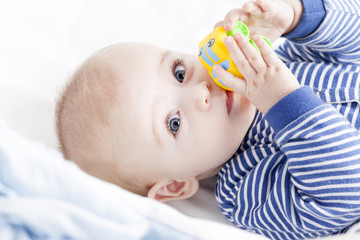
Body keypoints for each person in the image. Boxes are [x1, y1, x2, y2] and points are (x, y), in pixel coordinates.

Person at [56, 0, 360, 239]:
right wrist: (282, 101)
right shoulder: (243, 190)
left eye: (179, 73)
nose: (200, 91)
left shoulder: (282, 58)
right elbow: (346, 192)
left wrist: (297, 18)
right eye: (173, 123)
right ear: (174, 186)